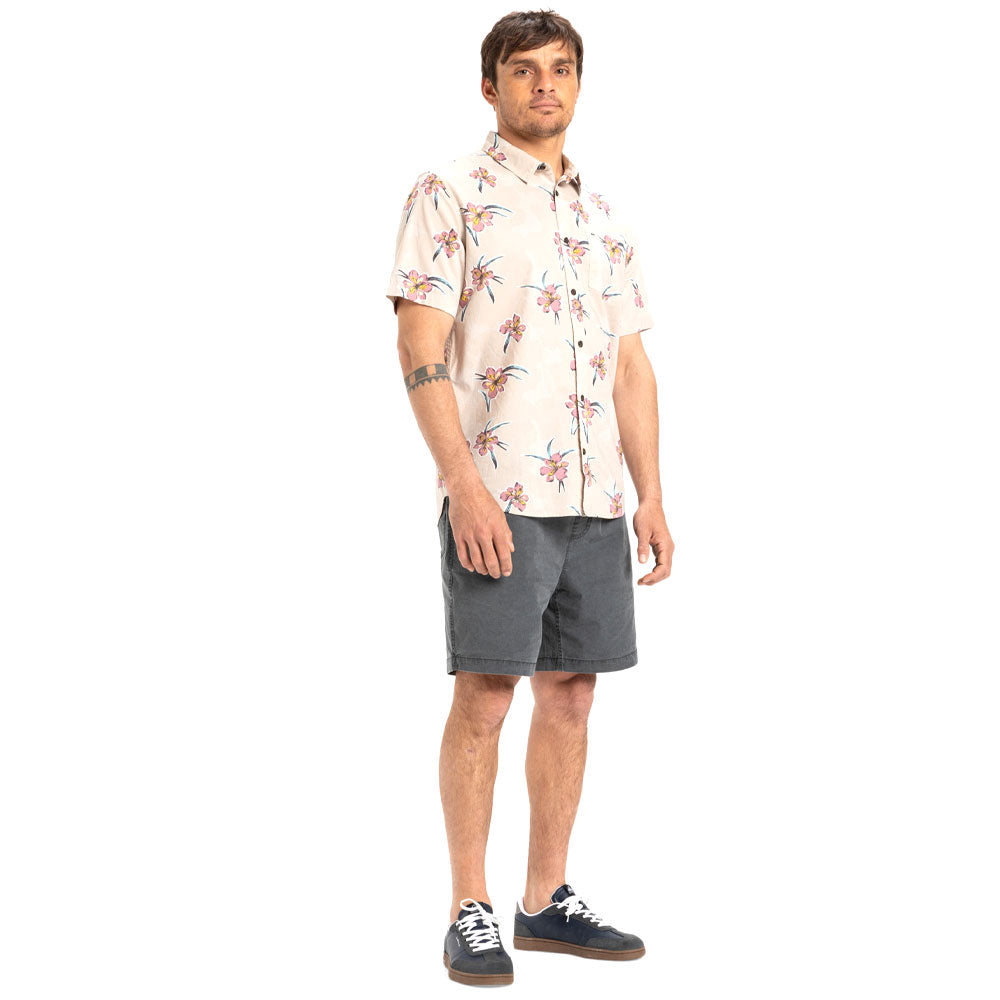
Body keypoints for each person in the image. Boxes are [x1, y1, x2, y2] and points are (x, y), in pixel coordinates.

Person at [384, 10, 674, 987]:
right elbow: (417, 343)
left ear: (579, 85)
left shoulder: (605, 215)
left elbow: (630, 364)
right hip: (499, 490)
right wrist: (461, 485)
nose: (544, 84)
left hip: (595, 497)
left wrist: (651, 495)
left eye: (560, 69)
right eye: (522, 70)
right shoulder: (449, 193)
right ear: (490, 86)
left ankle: (544, 899)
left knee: (574, 693)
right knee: (484, 693)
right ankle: (468, 906)